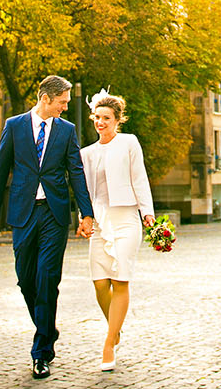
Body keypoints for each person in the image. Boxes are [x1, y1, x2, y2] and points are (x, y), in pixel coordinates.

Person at [0, 75, 95, 380]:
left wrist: (86, 213)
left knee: (47, 279)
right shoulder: (15, 125)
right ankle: (48, 329)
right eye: (62, 101)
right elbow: (0, 170)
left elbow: (76, 171)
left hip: (54, 215)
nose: (65, 107)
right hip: (23, 213)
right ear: (46, 98)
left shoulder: (67, 130)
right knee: (26, 279)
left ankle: (41, 352)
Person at [80, 90, 156, 372]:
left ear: (117, 120)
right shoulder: (85, 153)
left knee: (120, 279)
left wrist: (147, 212)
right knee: (100, 283)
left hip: (126, 219)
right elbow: (85, 191)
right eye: (97, 118)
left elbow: (140, 178)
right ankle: (117, 328)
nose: (100, 122)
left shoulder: (129, 143)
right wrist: (84, 218)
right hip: (100, 221)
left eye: (106, 118)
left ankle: (109, 343)